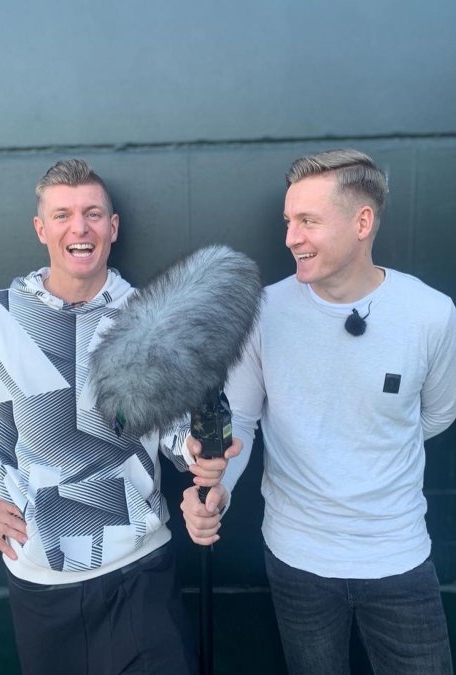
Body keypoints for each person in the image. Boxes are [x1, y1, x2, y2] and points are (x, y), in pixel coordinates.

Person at [0, 158, 234, 675]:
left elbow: (175, 430)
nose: (79, 228)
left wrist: (196, 451)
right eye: (62, 215)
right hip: (43, 588)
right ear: (41, 229)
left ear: (113, 227)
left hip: (143, 575)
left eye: (92, 214)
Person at [181, 148, 456, 674]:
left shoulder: (431, 315)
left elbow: (438, 414)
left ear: (362, 222)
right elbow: (241, 421)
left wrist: (371, 447)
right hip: (297, 560)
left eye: (308, 221)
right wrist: (219, 491)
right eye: (288, 221)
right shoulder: (262, 312)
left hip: (398, 556)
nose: (291, 237)